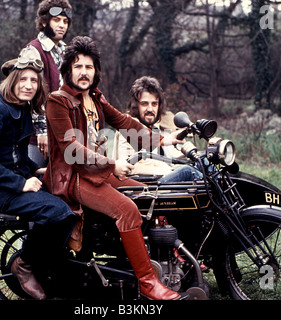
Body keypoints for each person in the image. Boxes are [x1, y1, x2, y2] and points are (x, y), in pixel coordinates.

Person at [42, 36, 187, 300]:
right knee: (128, 210)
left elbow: (125, 123)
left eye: (89, 67)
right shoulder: (57, 100)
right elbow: (71, 149)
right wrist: (112, 164)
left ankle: (161, 260)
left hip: (94, 172)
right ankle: (147, 283)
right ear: (67, 71)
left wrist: (164, 139)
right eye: (78, 67)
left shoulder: (95, 98)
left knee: (148, 196)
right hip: (72, 178)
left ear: (96, 71)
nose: (84, 72)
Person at [0, 52, 76, 300]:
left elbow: (15, 155)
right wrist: (21, 183)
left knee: (71, 200)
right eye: (23, 80)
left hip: (18, 180)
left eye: (34, 80)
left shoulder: (21, 107)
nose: (29, 85)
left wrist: (34, 170)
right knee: (59, 213)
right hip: (3, 190)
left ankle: (55, 268)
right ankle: (25, 264)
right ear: (12, 82)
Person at [112, 76, 203, 183]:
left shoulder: (156, 128)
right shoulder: (129, 126)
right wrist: (169, 170)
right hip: (145, 186)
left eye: (154, 104)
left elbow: (171, 156)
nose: (150, 109)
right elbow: (130, 167)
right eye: (144, 104)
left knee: (203, 160)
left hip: (161, 178)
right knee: (187, 171)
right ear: (136, 106)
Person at [25, 0, 73, 167]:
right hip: (37, 136)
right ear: (44, 22)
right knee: (34, 178)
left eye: (65, 21)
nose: (62, 25)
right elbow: (31, 94)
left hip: (62, 131)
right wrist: (42, 131)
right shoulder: (33, 50)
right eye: (57, 20)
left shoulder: (66, 51)